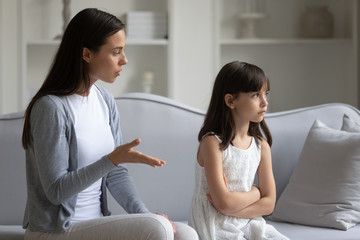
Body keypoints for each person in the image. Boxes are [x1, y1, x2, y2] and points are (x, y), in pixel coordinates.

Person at [22, 8, 198, 240]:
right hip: (55, 230)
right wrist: (111, 160)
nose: (124, 60)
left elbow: (116, 174)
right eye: (116, 52)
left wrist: (145, 215)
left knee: (185, 233)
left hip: (95, 223)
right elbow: (56, 192)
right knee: (158, 229)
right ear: (87, 54)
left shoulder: (104, 100)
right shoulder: (51, 108)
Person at [189, 61, 288, 240]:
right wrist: (256, 193)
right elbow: (224, 203)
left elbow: (269, 204)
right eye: (256, 95)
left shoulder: (261, 146)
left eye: (266, 94)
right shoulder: (212, 143)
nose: (264, 102)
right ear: (230, 100)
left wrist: (235, 207)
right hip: (215, 222)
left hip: (249, 221)